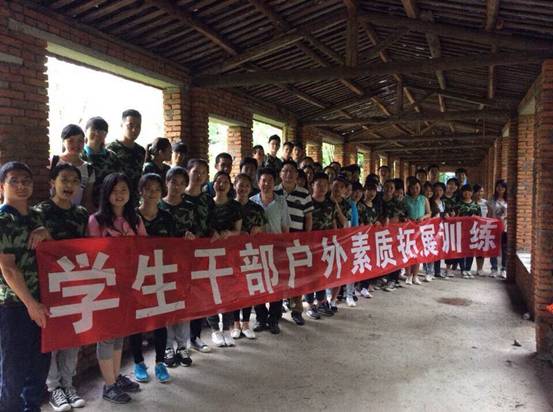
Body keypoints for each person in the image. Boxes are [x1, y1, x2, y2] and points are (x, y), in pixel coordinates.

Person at [34, 164, 89, 411]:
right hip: (49, 284)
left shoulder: (81, 213)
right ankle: (54, 388)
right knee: (53, 336)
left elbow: (87, 247)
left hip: (75, 281)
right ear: (52, 182)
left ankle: (68, 384)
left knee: (73, 334)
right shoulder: (39, 212)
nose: (69, 185)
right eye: (64, 179)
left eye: (74, 181)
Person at [87, 173, 144, 404]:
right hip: (106, 286)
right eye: (114, 190)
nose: (119, 195)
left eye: (123, 190)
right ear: (106, 193)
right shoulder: (96, 221)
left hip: (129, 283)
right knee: (106, 335)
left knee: (120, 333)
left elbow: (146, 247)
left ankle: (116, 376)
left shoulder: (135, 219)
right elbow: (94, 254)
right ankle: (109, 386)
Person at [0, 162, 52, 412]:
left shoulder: (36, 216)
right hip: (14, 305)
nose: (21, 185)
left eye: (26, 181)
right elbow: (8, 268)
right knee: (13, 368)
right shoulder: (3, 220)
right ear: (2, 187)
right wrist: (31, 304)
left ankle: (32, 407)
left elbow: (53, 252)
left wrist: (45, 232)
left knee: (40, 364)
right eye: (14, 181)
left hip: (42, 300)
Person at [131, 174, 174, 384]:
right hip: (136, 275)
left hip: (159, 274)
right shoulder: (131, 217)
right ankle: (138, 362)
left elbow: (175, 245)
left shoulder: (167, 217)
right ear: (141, 191)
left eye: (156, 189)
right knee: (136, 321)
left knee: (159, 320)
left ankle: (160, 362)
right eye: (148, 188)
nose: (152, 193)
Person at [159, 166, 195, 367]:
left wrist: (192, 236)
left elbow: (197, 231)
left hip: (183, 262)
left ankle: (182, 346)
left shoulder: (189, 207)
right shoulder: (157, 205)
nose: (177, 187)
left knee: (182, 304)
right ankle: (167, 346)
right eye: (174, 182)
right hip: (161, 264)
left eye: (182, 183)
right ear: (167, 182)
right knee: (165, 305)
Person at [251, 168, 291, 334]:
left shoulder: (281, 202)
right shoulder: (252, 201)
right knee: (257, 283)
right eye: (263, 180)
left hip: (276, 250)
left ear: (275, 183)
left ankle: (274, 319)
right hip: (256, 251)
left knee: (277, 284)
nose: (266, 184)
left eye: (270, 180)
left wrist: (284, 249)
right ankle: (261, 318)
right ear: (258, 182)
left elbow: (285, 227)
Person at [275, 161, 313, 325]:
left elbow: (308, 217)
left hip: (297, 240)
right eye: (285, 171)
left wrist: (306, 238)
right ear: (280, 174)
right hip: (277, 240)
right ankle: (276, 311)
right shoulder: (274, 191)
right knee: (279, 275)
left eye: (292, 171)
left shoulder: (304, 193)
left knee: (297, 275)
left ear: (297, 175)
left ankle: (297, 310)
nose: (288, 174)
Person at [207, 171, 242, 347]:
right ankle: (215, 329)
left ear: (230, 186)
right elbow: (202, 226)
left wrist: (229, 233)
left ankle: (227, 328)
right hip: (209, 254)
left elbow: (238, 230)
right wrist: (211, 232)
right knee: (210, 290)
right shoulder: (207, 204)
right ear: (213, 184)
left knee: (229, 290)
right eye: (218, 181)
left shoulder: (235, 206)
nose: (221, 184)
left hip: (229, 254)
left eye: (225, 182)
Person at [183, 159, 213, 353]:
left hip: (202, 254)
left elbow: (211, 223)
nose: (199, 175)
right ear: (188, 172)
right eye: (196, 171)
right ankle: (178, 342)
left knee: (198, 294)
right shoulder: (179, 196)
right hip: (180, 255)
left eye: (203, 172)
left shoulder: (207, 199)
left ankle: (195, 336)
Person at [232, 173, 268, 339]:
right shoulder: (228, 206)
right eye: (241, 185)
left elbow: (264, 228)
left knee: (247, 287)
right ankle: (235, 323)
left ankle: (246, 322)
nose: (243, 188)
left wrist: (259, 229)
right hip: (231, 254)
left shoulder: (257, 208)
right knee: (233, 289)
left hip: (250, 253)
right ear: (235, 186)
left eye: (247, 185)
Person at [305, 173, 337, 319]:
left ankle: (321, 302)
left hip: (326, 245)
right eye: (319, 184)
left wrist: (335, 239)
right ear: (312, 185)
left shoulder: (330, 204)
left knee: (323, 274)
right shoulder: (307, 203)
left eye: (325, 185)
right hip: (310, 245)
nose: (322, 188)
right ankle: (310, 304)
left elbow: (333, 222)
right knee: (310, 275)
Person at [51, 124, 96, 211]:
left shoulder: (89, 168)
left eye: (80, 141)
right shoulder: (53, 161)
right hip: (53, 212)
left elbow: (87, 198)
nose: (76, 144)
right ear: (63, 142)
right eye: (71, 141)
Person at [82, 116, 122, 210]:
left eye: (101, 131)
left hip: (108, 206)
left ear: (106, 134)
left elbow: (119, 181)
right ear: (86, 131)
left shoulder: (112, 156)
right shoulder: (79, 155)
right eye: (93, 130)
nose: (97, 133)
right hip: (83, 207)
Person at [106, 109, 146, 197]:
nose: (134, 130)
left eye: (138, 126)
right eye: (130, 126)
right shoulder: (111, 149)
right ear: (121, 125)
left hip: (135, 198)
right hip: (117, 197)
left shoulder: (141, 151)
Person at [404, 178, 432, 284]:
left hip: (420, 229)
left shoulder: (424, 199)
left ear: (420, 188)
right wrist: (407, 218)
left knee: (418, 252)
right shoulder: (405, 199)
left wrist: (423, 217)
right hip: (408, 230)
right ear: (409, 189)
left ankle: (415, 275)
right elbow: (402, 213)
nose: (415, 190)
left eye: (417, 188)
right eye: (412, 188)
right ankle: (408, 275)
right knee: (408, 252)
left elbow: (429, 213)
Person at [456, 184, 482, 279]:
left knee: (471, 250)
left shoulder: (476, 205)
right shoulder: (458, 205)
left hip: (473, 231)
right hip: (461, 231)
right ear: (462, 193)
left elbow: (480, 218)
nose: (467, 193)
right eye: (465, 191)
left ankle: (468, 269)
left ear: (472, 193)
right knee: (462, 250)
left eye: (469, 191)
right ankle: (463, 269)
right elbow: (455, 217)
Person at [489, 179, 508, 279]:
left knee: (504, 248)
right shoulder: (492, 199)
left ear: (505, 188)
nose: (500, 188)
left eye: (502, 187)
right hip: (494, 226)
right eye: (498, 186)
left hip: (505, 227)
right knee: (493, 247)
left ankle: (504, 269)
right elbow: (489, 213)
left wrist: (505, 216)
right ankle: (494, 268)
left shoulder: (508, 200)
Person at [430, 182, 447, 279]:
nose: (438, 192)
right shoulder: (430, 201)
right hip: (431, 229)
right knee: (431, 248)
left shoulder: (443, 203)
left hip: (441, 229)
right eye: (436, 190)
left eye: (440, 190)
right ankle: (429, 271)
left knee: (438, 249)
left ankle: (437, 270)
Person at [473, 184, 489, 276]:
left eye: (481, 191)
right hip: (472, 228)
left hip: (483, 228)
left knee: (481, 248)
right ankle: (466, 268)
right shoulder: (471, 202)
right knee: (471, 248)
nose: (480, 193)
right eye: (478, 191)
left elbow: (489, 215)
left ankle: (479, 268)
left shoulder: (486, 203)